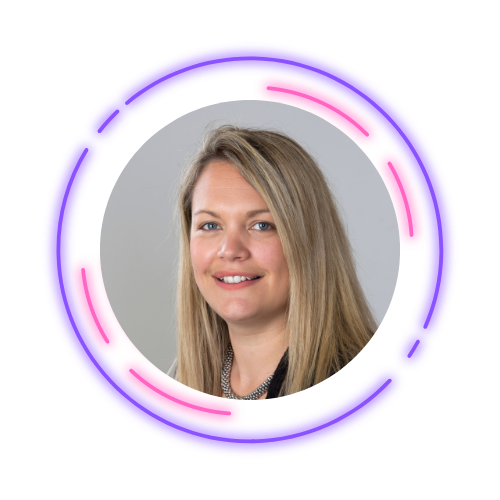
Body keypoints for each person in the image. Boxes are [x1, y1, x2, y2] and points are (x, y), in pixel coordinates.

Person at [167, 124, 377, 400]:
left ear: (308, 241)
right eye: (210, 225)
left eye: (261, 225)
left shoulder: (361, 390)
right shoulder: (180, 381)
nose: (230, 250)